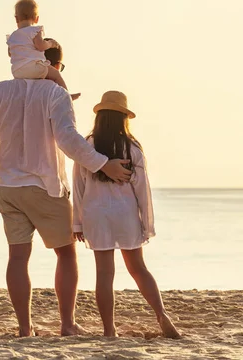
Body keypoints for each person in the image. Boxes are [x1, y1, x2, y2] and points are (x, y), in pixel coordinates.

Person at [0, 43, 132, 337]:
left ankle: (25, 328)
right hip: (45, 186)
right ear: (55, 67)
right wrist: (103, 164)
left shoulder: (2, 89)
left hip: (9, 186)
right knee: (66, 255)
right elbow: (68, 140)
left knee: (18, 257)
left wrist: (13, 119)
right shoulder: (55, 93)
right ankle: (67, 324)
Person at [72, 91, 181, 339]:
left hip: (96, 214)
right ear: (123, 118)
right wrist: (147, 224)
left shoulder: (88, 147)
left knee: (104, 273)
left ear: (100, 118)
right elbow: (143, 189)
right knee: (138, 268)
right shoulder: (132, 148)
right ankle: (161, 315)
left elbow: (78, 186)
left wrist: (76, 222)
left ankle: (109, 330)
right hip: (125, 214)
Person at [6, 0, 69, 90]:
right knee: (56, 74)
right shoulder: (35, 31)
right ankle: (66, 95)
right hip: (33, 68)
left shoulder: (13, 37)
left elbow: (10, 53)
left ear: (16, 19)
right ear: (36, 19)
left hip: (17, 71)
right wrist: (51, 44)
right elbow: (41, 46)